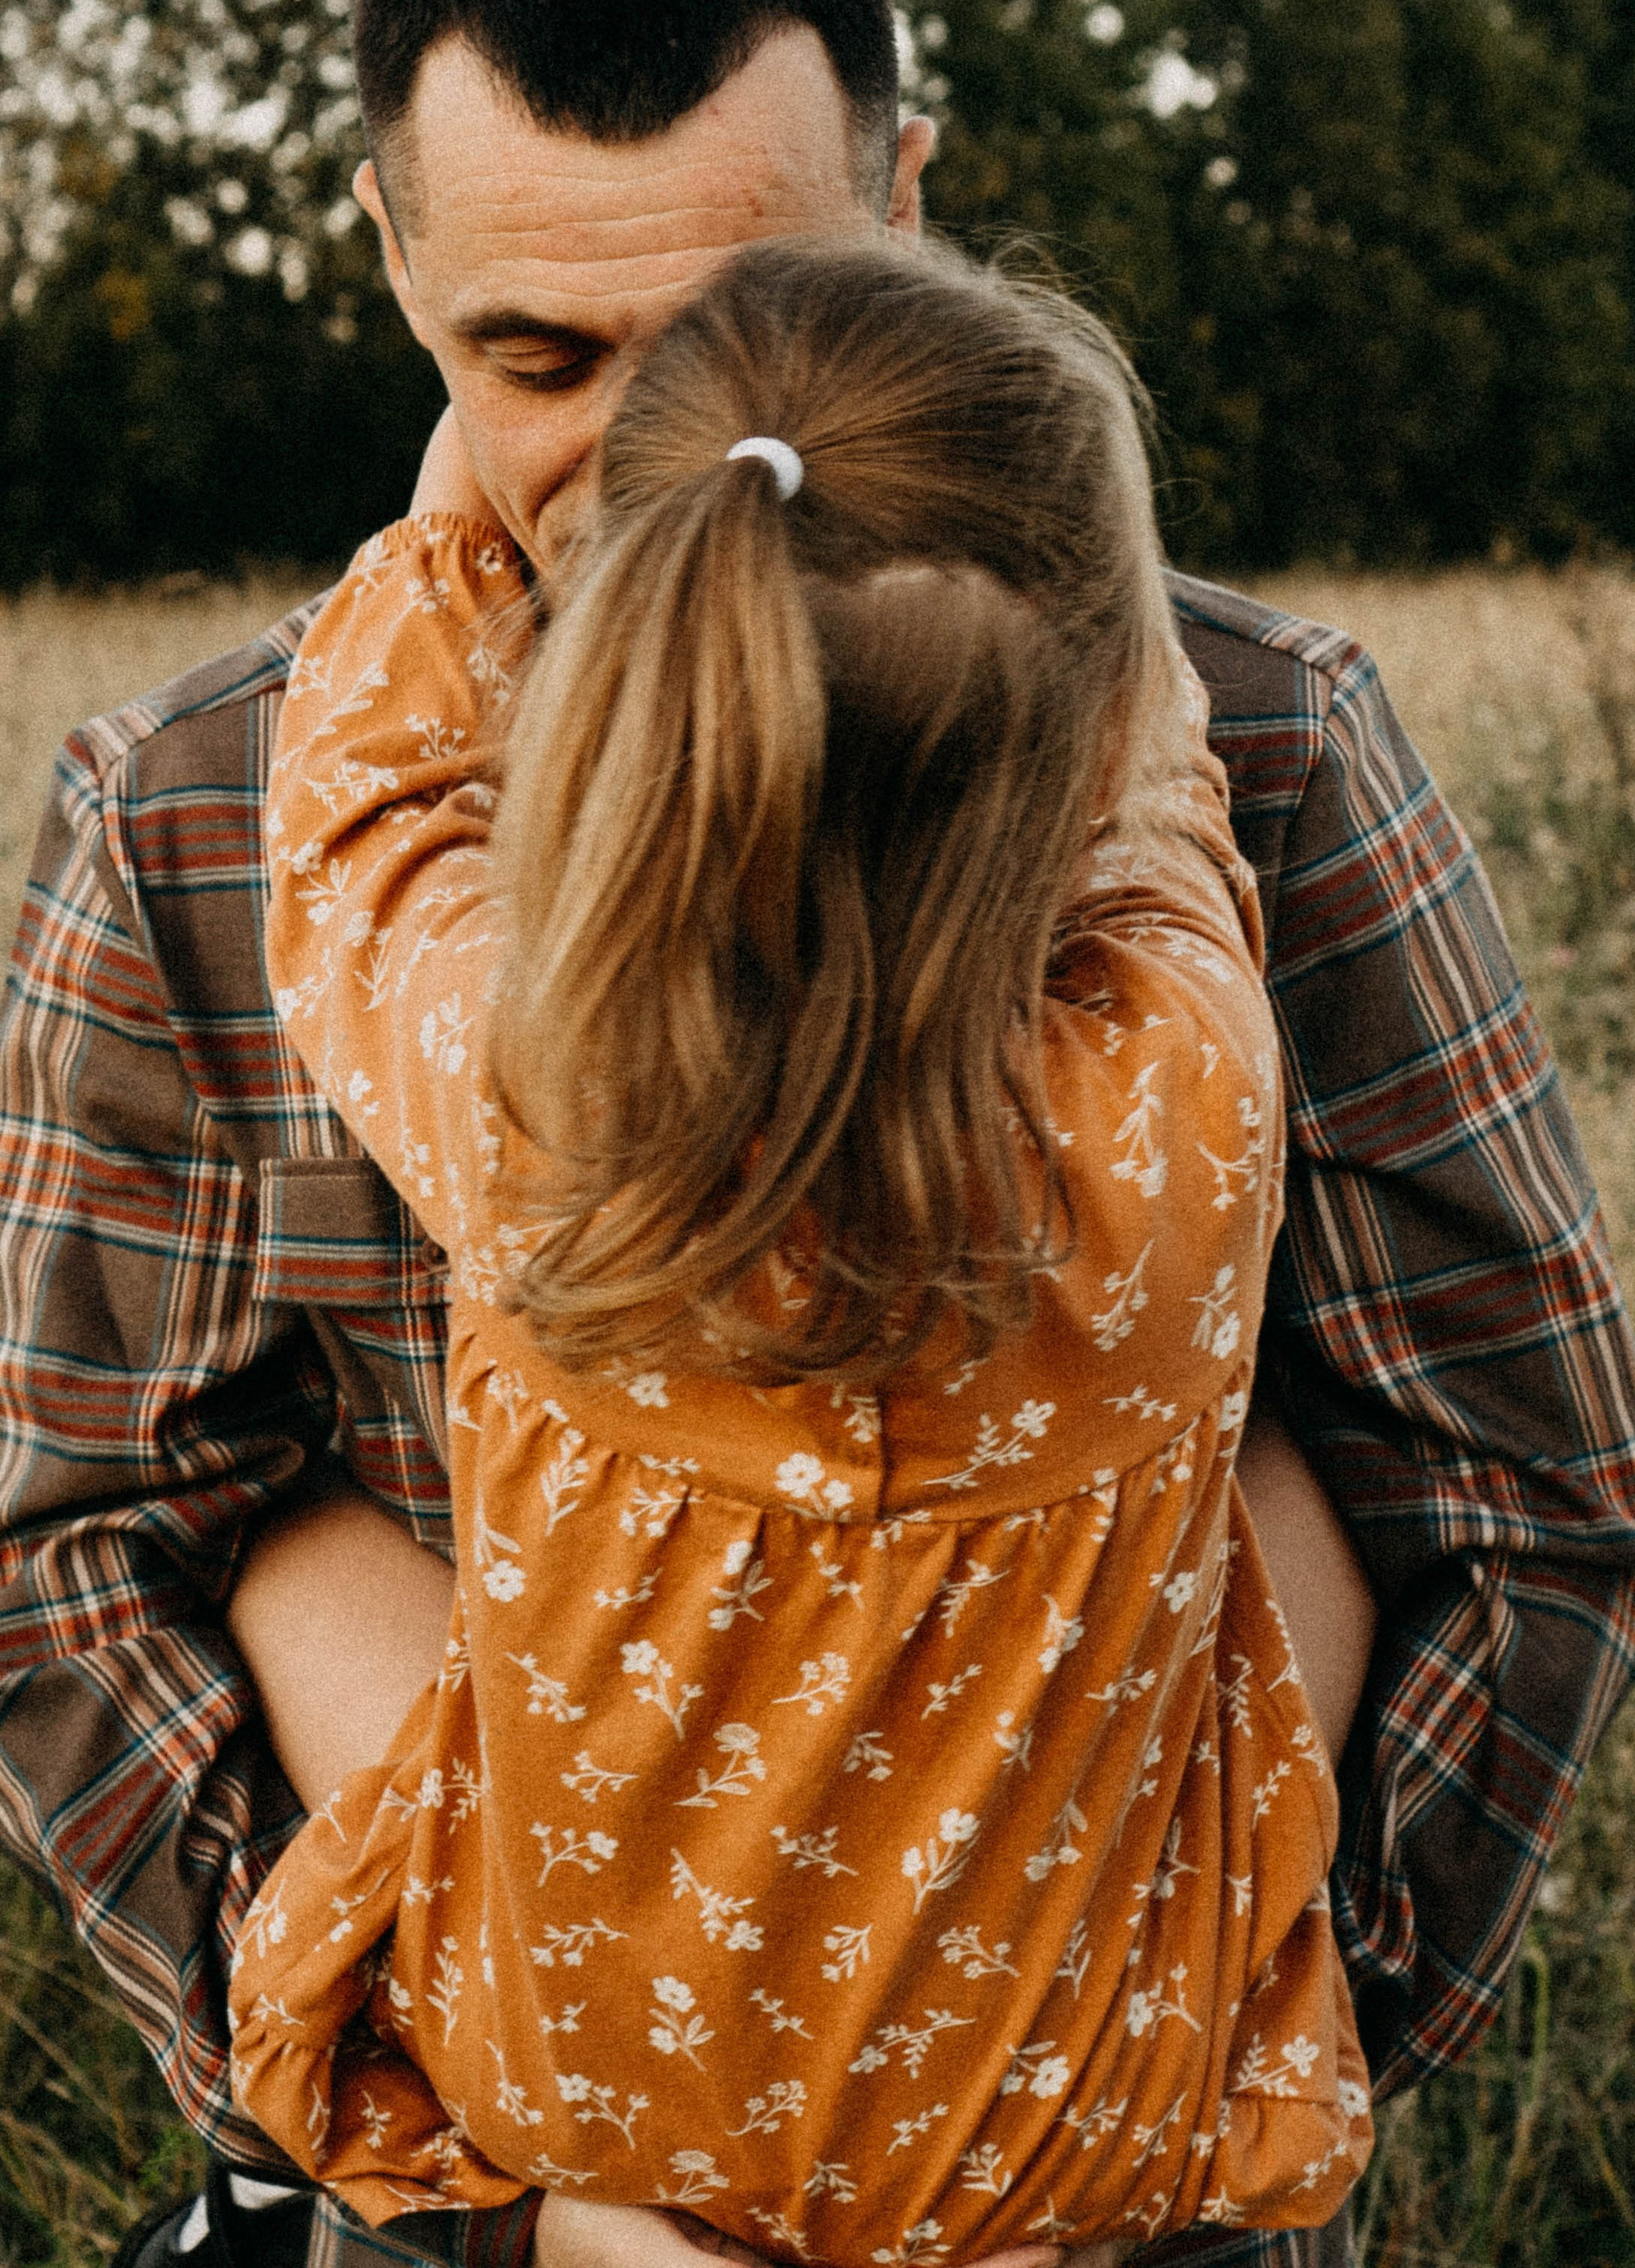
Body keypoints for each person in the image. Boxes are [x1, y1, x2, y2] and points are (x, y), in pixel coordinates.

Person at [0, 0, 1635, 2268]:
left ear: (910, 201)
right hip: (522, 2161)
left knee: (1291, 1479)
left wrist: (1196, 2081)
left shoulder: (1282, 740)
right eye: (541, 356)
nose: (684, 480)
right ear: (387, 257)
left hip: (1110, 2167)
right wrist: (510, 2192)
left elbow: (1534, 1501)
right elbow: (72, 1553)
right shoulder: (179, 816)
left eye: (744, 339)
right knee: (301, 1544)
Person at [227, 235, 1376, 2250]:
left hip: (588, 2078)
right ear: (1092, 709)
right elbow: (1168, 825)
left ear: (634, 668)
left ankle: (616, 2211)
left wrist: (469, 485)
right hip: (1060, 2133)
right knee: (1296, 1481)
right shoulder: (1189, 1109)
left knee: (287, 1539)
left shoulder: (540, 1105)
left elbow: (364, 818)